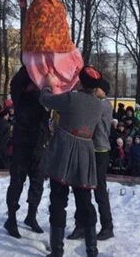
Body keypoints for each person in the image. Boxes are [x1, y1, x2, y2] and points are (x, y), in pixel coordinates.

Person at [39, 66, 105, 257]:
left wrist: (48, 85)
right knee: (85, 202)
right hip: (86, 152)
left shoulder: (72, 98)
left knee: (58, 200)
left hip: (64, 151)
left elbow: (46, 100)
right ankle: (92, 250)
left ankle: (57, 251)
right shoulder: (100, 105)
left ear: (81, 82)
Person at [4, 66, 50, 239]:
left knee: (37, 181)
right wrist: (32, 63)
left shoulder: (45, 97)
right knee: (17, 181)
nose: (36, 85)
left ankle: (31, 215)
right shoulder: (20, 97)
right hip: (22, 145)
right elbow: (15, 82)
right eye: (33, 82)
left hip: (39, 145)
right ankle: (11, 218)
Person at [67, 78, 114, 242]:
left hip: (100, 150)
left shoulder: (103, 104)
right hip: (87, 148)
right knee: (81, 187)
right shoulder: (96, 101)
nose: (94, 90)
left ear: (103, 91)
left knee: (99, 189)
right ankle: (81, 224)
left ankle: (107, 226)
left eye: (97, 88)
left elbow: (86, 114)